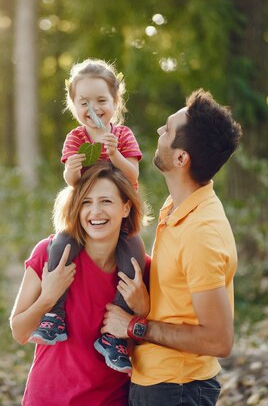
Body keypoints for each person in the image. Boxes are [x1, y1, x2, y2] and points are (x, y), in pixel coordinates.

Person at [101, 89, 243, 406]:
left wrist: (135, 326)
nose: (158, 132)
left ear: (181, 158)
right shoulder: (178, 207)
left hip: (177, 389)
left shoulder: (201, 232)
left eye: (167, 129)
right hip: (156, 383)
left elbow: (218, 339)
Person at [28, 59, 144, 374]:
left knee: (133, 256)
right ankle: (56, 314)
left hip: (118, 216)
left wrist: (116, 154)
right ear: (74, 106)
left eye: (101, 101)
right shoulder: (76, 138)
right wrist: (73, 169)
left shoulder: (122, 135)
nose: (93, 108)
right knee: (60, 245)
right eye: (84, 102)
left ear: (115, 102)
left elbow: (133, 174)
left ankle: (112, 336)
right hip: (85, 215)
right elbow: (70, 180)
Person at [10, 163, 151, 405]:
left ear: (126, 207)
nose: (95, 211)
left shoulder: (142, 270)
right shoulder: (48, 254)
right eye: (86, 202)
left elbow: (147, 347)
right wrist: (48, 297)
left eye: (106, 201)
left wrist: (142, 310)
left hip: (109, 400)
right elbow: (19, 332)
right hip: (46, 399)